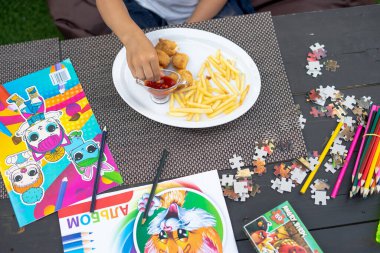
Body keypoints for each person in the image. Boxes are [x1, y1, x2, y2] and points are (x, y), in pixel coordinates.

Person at [96, 0, 253, 81]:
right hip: (141, 8)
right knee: (127, 67)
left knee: (239, 64)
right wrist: (131, 36)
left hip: (204, 9)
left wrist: (189, 27)